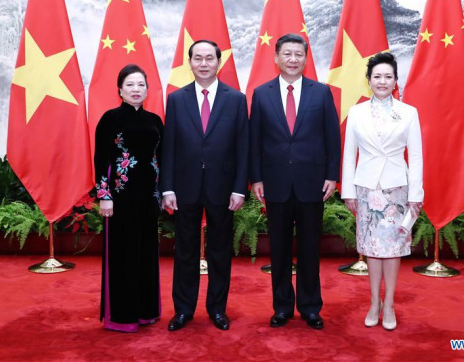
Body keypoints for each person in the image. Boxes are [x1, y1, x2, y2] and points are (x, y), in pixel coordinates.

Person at [249, 33, 341, 330]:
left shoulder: (321, 92)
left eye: (298, 54)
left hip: (312, 182)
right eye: (286, 54)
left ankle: (311, 307)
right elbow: (254, 141)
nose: (292, 59)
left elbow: (331, 137)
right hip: (275, 182)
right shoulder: (261, 94)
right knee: (279, 249)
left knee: (310, 248)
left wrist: (332, 175)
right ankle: (282, 307)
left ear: (305, 58)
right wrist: (256, 179)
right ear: (276, 58)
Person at [161, 40, 249, 332]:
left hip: (223, 188)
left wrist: (239, 188)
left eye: (209, 58)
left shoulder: (236, 99)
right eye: (197, 58)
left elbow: (242, 148)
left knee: (220, 252)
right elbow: (169, 146)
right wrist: (167, 188)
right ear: (190, 62)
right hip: (185, 188)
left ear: (218, 62)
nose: (203, 63)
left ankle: (217, 310)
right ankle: (183, 310)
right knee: (185, 251)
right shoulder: (176, 99)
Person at [341, 52, 423, 331]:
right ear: (369, 80)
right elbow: (349, 152)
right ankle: (374, 302)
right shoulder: (356, 112)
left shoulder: (409, 112)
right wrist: (348, 191)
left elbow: (418, 156)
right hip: (365, 189)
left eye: (388, 76)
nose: (382, 81)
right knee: (372, 249)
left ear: (395, 81)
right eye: (377, 76)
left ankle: (389, 304)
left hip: (397, 189)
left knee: (393, 248)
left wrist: (416, 194)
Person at [94, 64, 163, 333]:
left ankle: (146, 312)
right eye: (130, 85)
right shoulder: (110, 119)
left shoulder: (156, 121)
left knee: (146, 253)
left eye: (141, 85)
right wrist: (104, 195)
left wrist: (163, 192)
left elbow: (161, 158)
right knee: (123, 255)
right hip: (120, 198)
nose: (136, 89)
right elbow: (101, 159)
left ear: (147, 89)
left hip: (148, 197)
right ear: (120, 90)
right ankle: (121, 316)